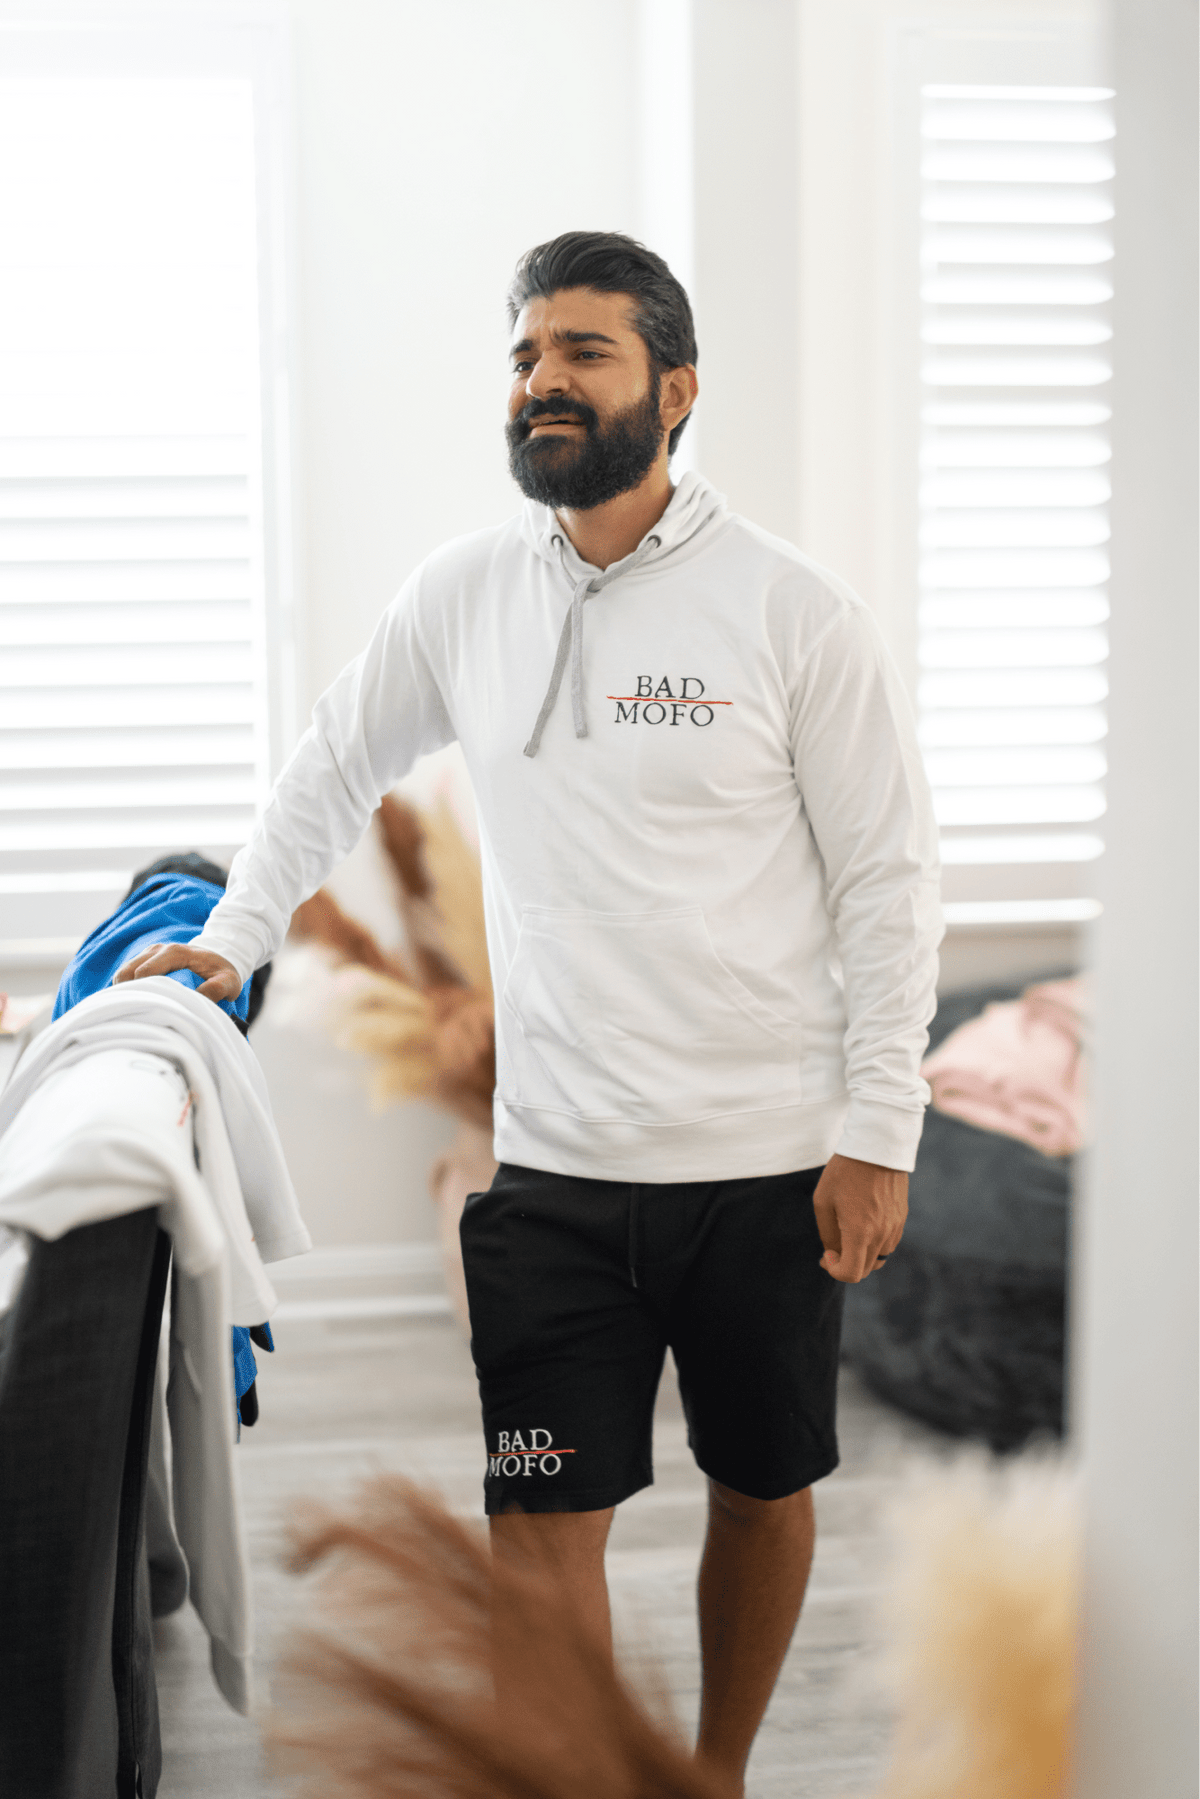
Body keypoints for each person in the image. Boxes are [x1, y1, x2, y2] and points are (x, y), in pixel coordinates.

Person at [117, 231, 942, 1791]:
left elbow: (888, 884)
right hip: (556, 1172)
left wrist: (877, 1126)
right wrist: (232, 938)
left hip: (766, 1164)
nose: (542, 379)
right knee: (536, 1514)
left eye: (583, 351)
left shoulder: (793, 614)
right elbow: (330, 764)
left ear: (676, 391)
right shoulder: (465, 593)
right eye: (522, 354)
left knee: (761, 1489)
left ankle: (715, 1770)